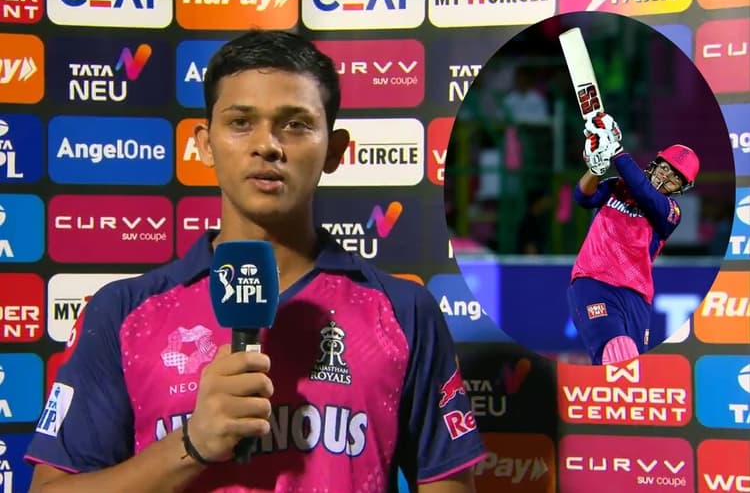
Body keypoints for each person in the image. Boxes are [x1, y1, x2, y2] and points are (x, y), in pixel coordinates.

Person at [25, 30, 487, 492]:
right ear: (205, 144)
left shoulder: (404, 312)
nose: (267, 144)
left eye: (296, 124)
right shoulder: (123, 312)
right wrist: (191, 445)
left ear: (334, 149)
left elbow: (447, 485)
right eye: (241, 122)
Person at [566, 112, 700, 365]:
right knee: (616, 352)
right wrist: (595, 170)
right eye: (665, 168)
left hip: (637, 297)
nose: (666, 177)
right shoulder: (617, 185)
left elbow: (643, 191)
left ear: (681, 188)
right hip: (595, 281)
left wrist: (617, 150)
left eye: (675, 178)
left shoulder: (670, 212)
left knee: (633, 368)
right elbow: (582, 197)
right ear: (655, 164)